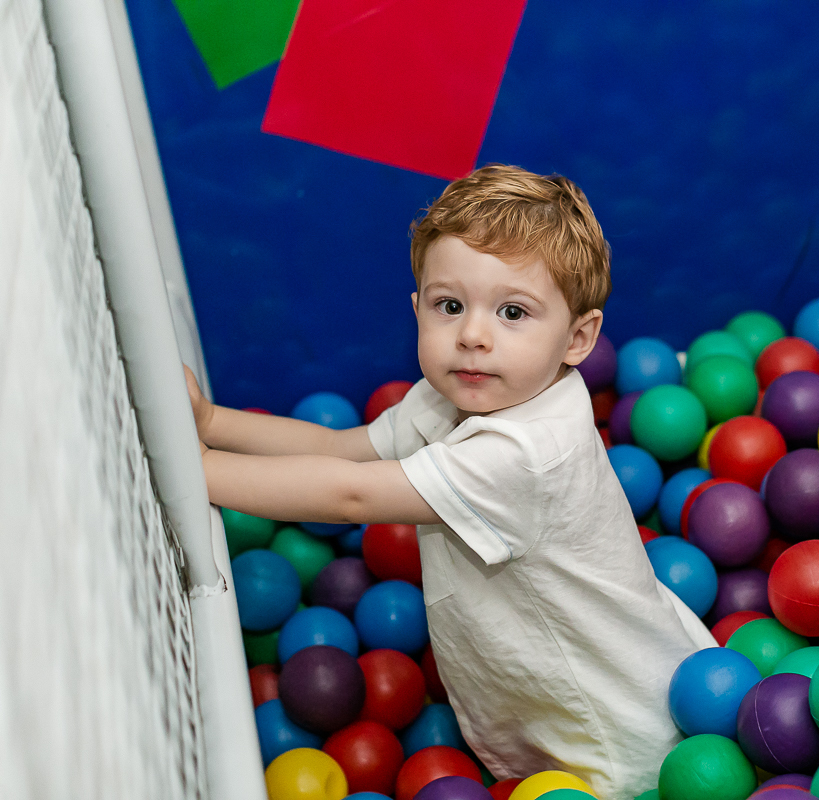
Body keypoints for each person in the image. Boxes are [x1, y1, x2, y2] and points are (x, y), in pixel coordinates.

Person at [190, 164, 715, 798]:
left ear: (578, 338)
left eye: (513, 312)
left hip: (616, 733)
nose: (472, 335)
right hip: (562, 678)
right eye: (449, 306)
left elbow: (349, 493)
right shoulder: (461, 397)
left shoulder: (522, 453)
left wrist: (198, 470)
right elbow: (342, 451)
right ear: (417, 310)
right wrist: (215, 423)